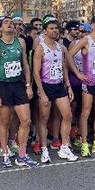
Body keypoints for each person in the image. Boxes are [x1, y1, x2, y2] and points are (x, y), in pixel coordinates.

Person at [0, 16, 38, 168]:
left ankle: (22, 155)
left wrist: (29, 85)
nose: (10, 24)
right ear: (0, 28)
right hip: (3, 85)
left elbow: (25, 65)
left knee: (26, 120)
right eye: (6, 23)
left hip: (18, 84)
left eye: (12, 23)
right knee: (5, 120)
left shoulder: (21, 42)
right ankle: (5, 154)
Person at [32, 18, 78, 163]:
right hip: (46, 86)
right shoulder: (40, 48)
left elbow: (63, 67)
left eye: (57, 28)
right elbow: (35, 72)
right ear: (45, 31)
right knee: (44, 119)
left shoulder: (60, 47)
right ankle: (44, 149)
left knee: (67, 115)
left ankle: (64, 147)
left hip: (59, 86)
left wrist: (68, 86)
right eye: (51, 28)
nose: (55, 31)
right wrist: (42, 92)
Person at [68, 15, 95, 157]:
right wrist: (78, 74)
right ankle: (85, 142)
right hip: (88, 83)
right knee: (86, 113)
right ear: (92, 25)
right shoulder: (86, 40)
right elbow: (69, 56)